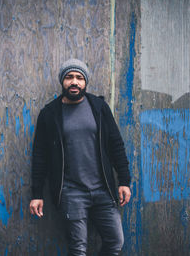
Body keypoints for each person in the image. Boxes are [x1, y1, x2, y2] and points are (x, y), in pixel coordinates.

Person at [29, 58, 131, 256]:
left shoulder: (99, 107)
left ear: (85, 82)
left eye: (79, 78)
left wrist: (124, 181)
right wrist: (36, 194)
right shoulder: (49, 114)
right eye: (69, 77)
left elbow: (116, 145)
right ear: (62, 81)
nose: (74, 82)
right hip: (71, 193)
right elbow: (40, 156)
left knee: (115, 242)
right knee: (78, 250)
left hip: (103, 190)